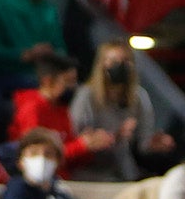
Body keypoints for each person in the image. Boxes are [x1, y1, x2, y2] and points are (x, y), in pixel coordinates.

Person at [68, 41, 174, 182]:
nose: (119, 66)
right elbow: (78, 138)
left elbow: (144, 143)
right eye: (113, 61)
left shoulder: (139, 96)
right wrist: (114, 136)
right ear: (102, 65)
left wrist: (155, 143)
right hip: (89, 173)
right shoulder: (86, 95)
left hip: (123, 172)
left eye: (125, 61)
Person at [7, 53, 113, 176]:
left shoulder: (61, 109)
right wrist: (80, 145)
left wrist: (90, 145)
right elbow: (38, 154)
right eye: (68, 81)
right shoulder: (31, 109)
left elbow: (69, 156)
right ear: (48, 81)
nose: (72, 87)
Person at [0, 128, 92, 199]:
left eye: (48, 154)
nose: (41, 159)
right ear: (20, 161)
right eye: (33, 153)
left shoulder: (58, 193)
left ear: (57, 162)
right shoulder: (17, 190)